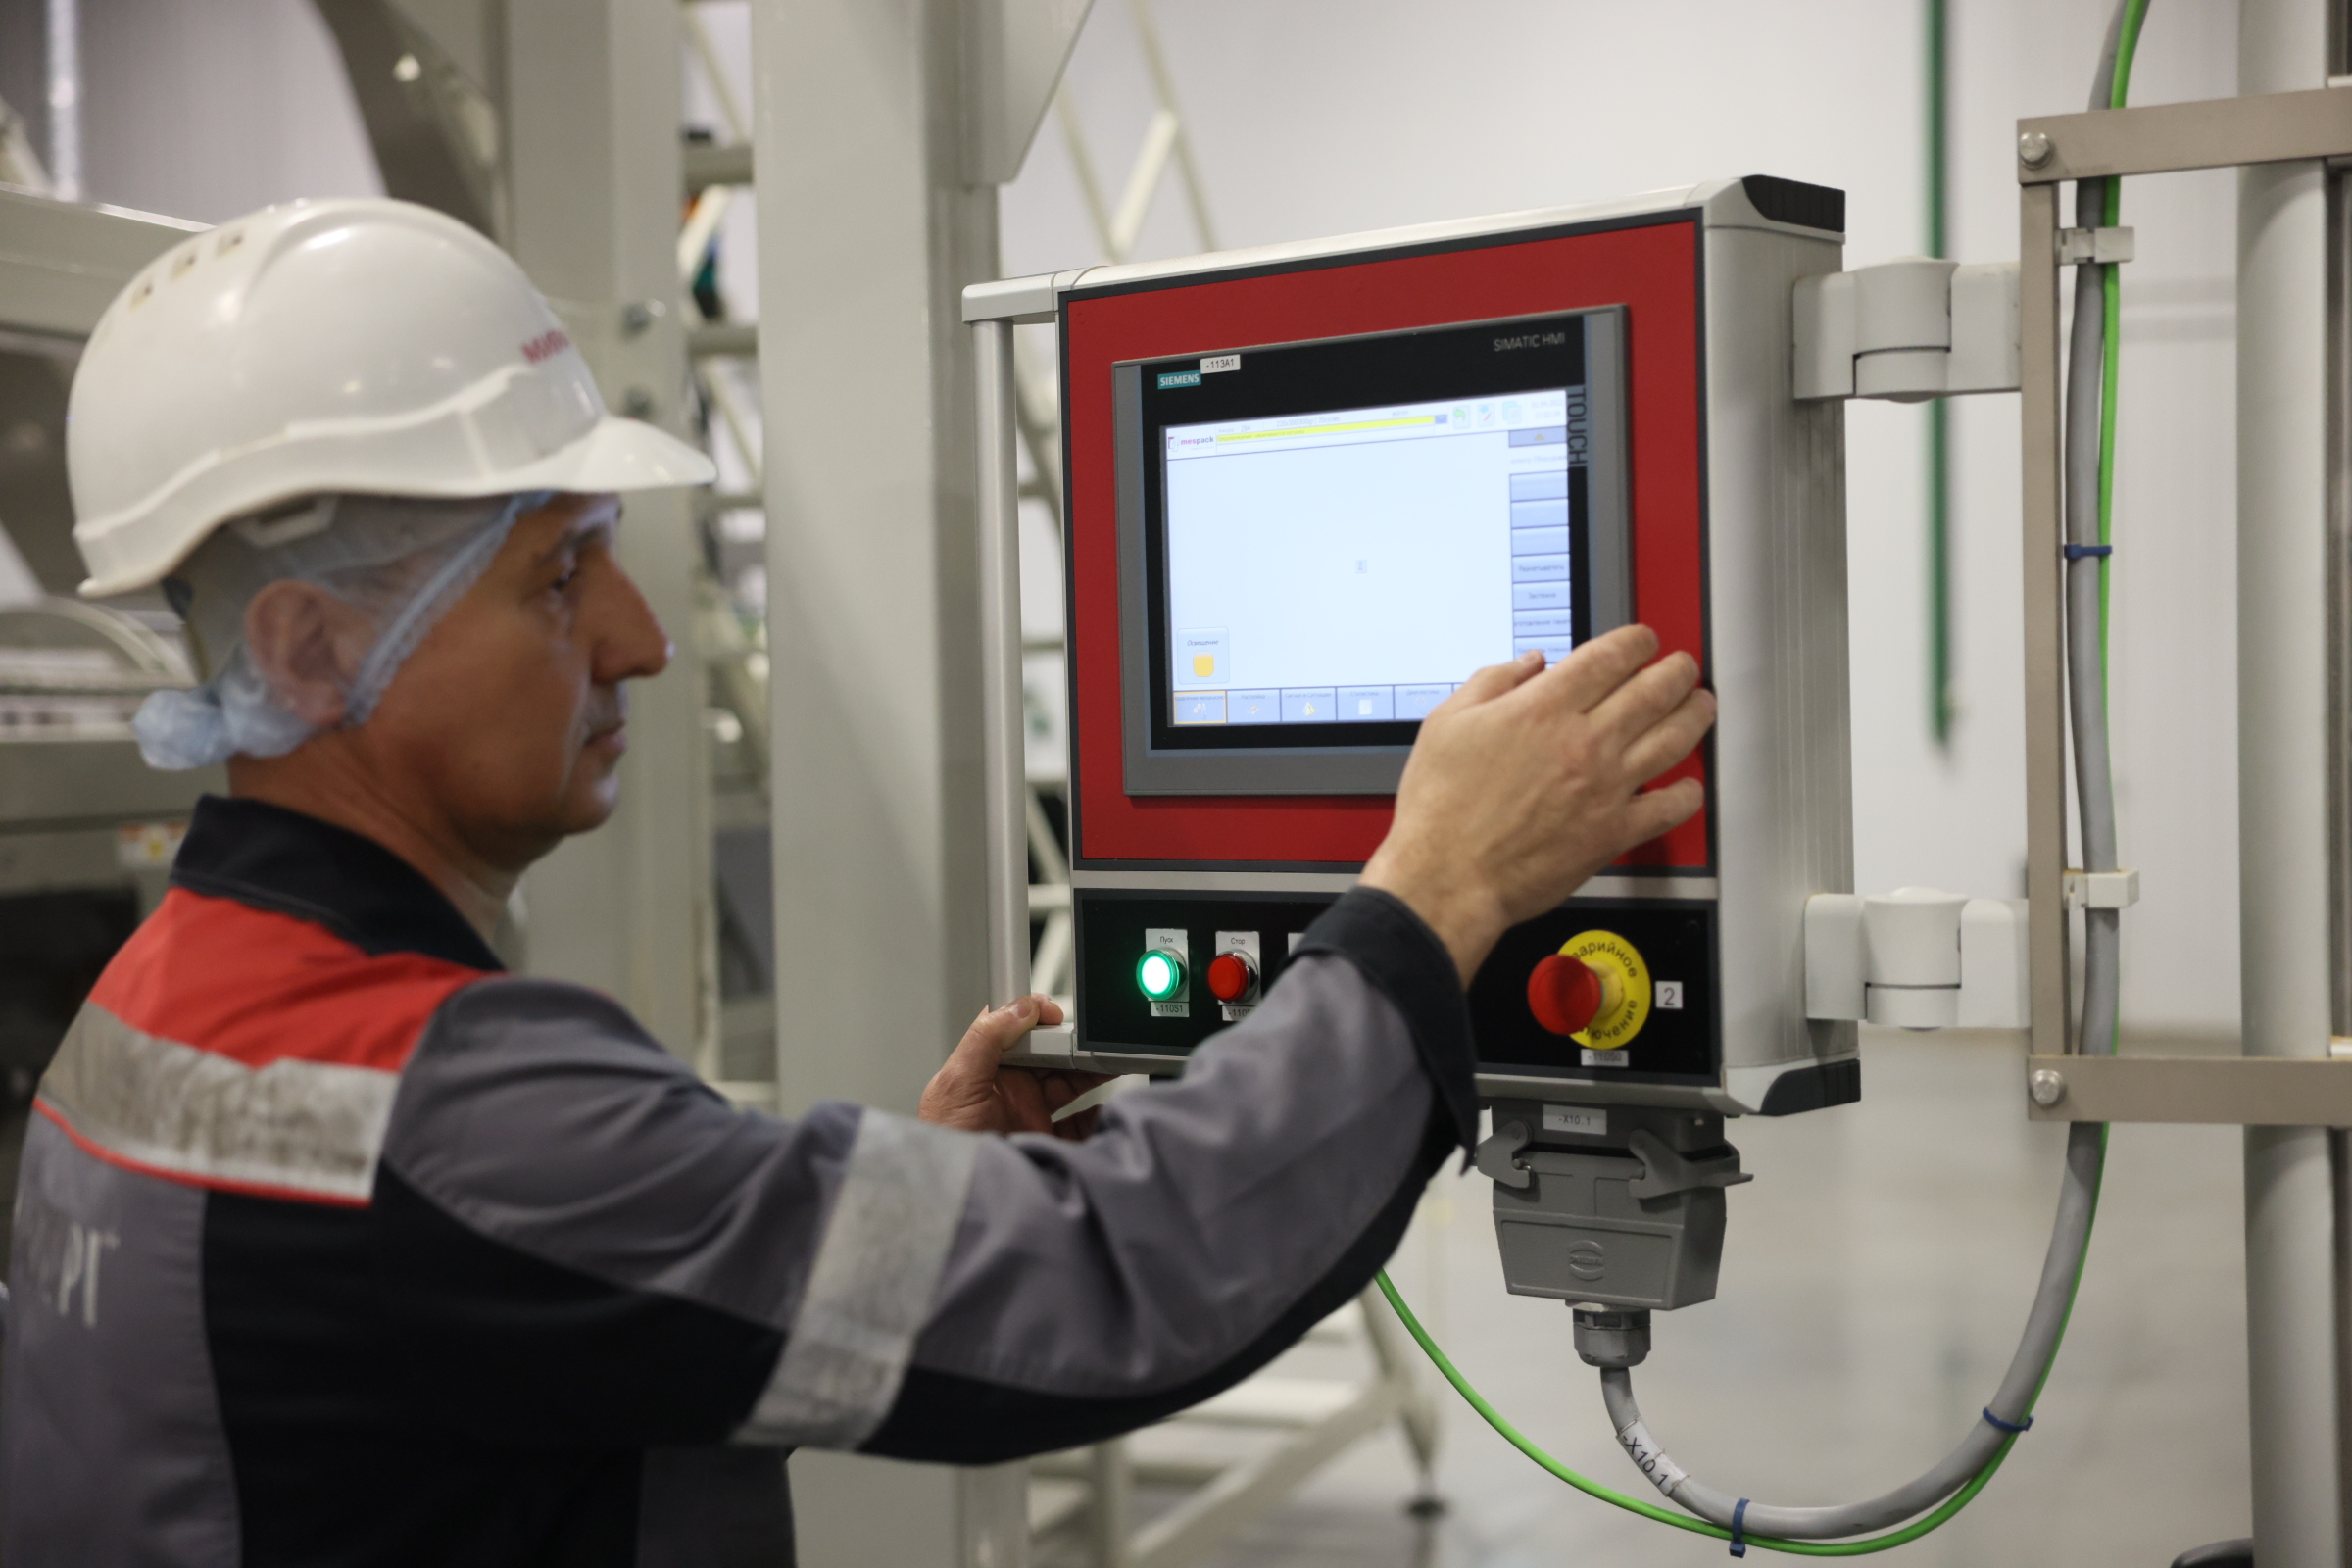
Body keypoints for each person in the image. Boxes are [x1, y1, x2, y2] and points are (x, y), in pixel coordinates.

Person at [0, 198, 1714, 1568]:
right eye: (557, 578)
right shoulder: (448, 1111)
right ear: (310, 649)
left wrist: (904, 1200)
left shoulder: (160, 1005)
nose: (641, 640)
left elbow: (523, 1320)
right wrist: (1439, 887)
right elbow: (1116, 1278)